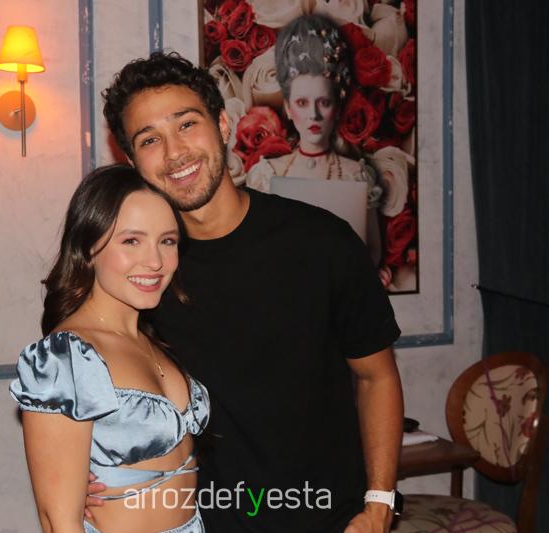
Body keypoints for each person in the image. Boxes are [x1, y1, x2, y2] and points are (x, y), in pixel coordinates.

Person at [96, 52, 404, 533]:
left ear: (222, 125)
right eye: (150, 139)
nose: (175, 152)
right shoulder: (141, 275)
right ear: (132, 162)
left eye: (187, 124)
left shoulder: (321, 243)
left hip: (328, 520)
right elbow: (85, 372)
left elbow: (376, 376)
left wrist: (381, 502)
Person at [9, 164, 210, 533]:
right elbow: (59, 522)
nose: (155, 261)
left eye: (167, 241)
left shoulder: (154, 339)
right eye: (131, 241)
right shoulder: (65, 358)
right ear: (89, 247)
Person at [246, 15, 382, 254]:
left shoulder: (356, 175)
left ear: (336, 107)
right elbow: (256, 252)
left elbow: (371, 253)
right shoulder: (266, 175)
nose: (314, 115)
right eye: (302, 102)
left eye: (324, 102)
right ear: (288, 108)